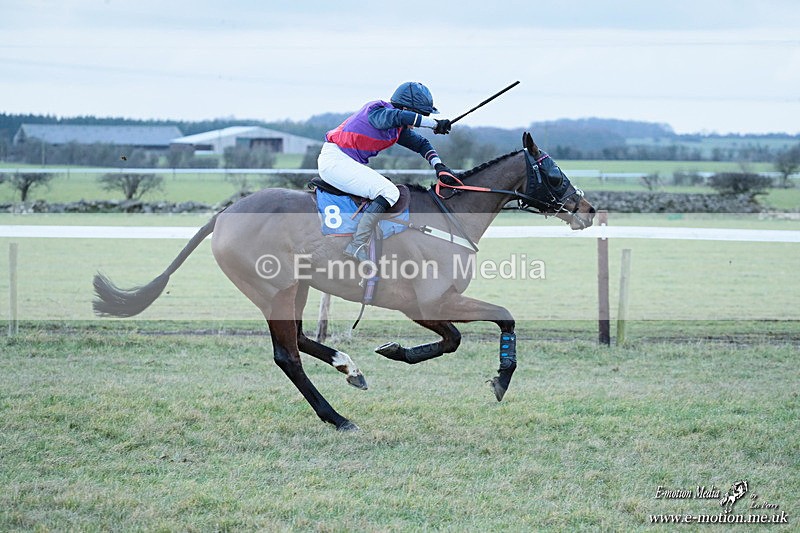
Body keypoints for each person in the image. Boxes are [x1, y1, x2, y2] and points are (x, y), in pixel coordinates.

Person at [318, 81, 455, 263]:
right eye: (419, 115)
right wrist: (433, 124)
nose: (414, 124)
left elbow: (422, 144)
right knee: (389, 192)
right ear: (406, 108)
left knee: (384, 189)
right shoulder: (378, 111)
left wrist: (439, 166)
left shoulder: (397, 129)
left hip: (345, 162)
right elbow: (397, 116)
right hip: (336, 161)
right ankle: (357, 244)